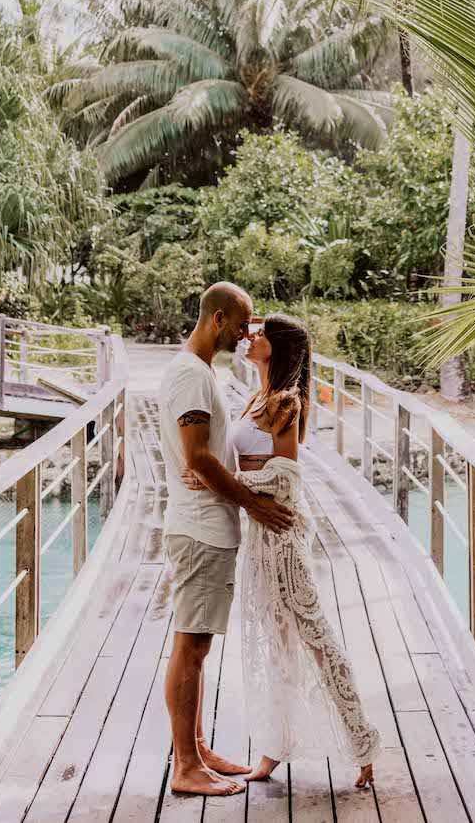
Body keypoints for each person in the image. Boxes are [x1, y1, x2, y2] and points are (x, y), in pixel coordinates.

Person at [226, 312, 380, 788]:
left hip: (283, 538)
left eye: (258, 333)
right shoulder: (256, 395)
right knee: (275, 644)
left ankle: (363, 744)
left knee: (316, 639)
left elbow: (285, 476)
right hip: (259, 536)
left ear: (278, 346)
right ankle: (275, 746)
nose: (249, 338)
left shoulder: (286, 402)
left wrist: (227, 482)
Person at [157, 281, 294, 798]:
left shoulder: (199, 374)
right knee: (190, 646)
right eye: (240, 324)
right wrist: (252, 502)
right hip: (199, 529)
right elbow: (198, 457)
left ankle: (195, 748)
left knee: (195, 645)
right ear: (217, 319)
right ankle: (186, 766)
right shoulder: (192, 378)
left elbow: (205, 454)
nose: (244, 335)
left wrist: (227, 479)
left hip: (203, 525)